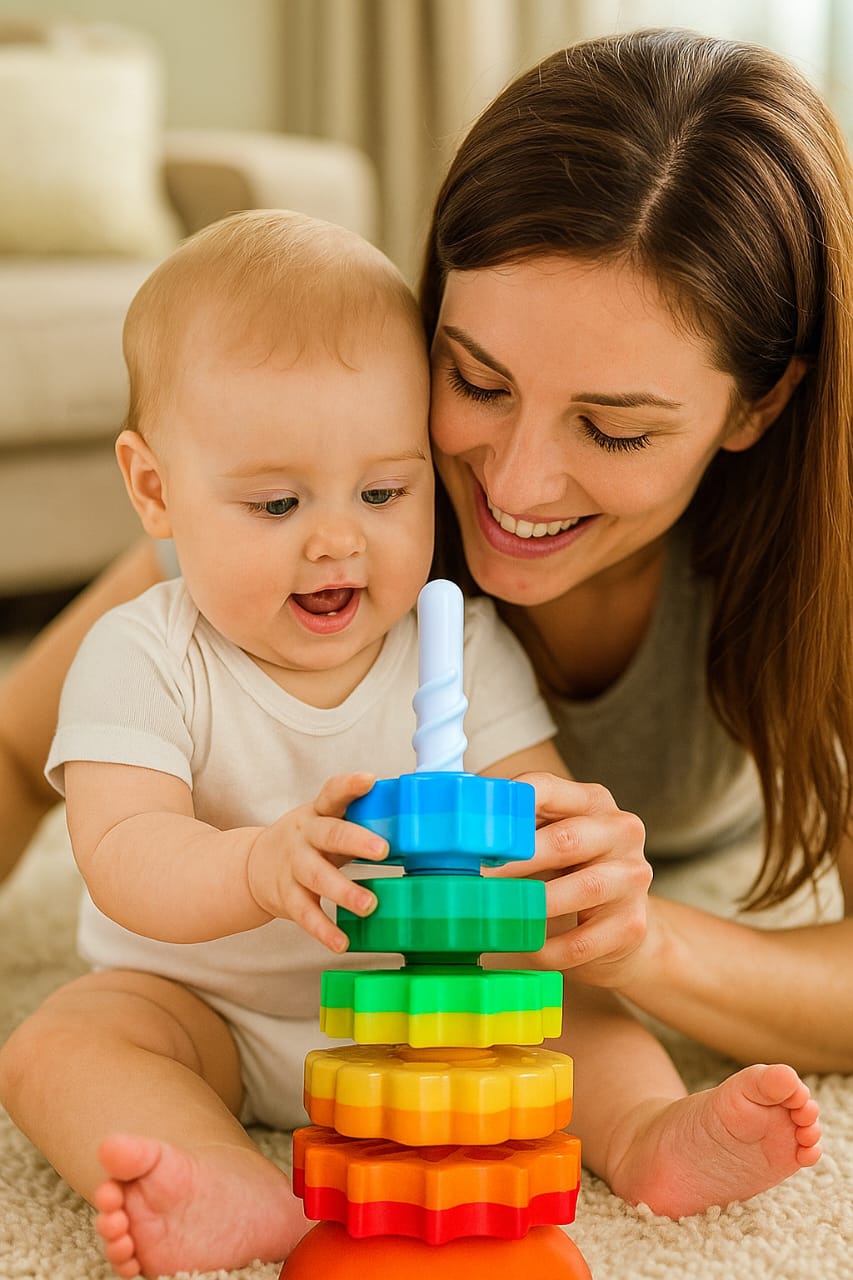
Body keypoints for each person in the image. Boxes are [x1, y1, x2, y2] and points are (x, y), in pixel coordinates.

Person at [0, 20, 841, 1270]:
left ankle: (646, 1137)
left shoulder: (484, 623)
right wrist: (244, 867)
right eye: (477, 379)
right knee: (62, 1044)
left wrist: (621, 920)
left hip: (443, 1000)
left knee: (586, 1014)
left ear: (758, 402)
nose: (513, 476)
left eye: (612, 427)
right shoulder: (263, 535)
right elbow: (34, 765)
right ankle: (237, 1190)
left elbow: (535, 814)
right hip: (211, 999)